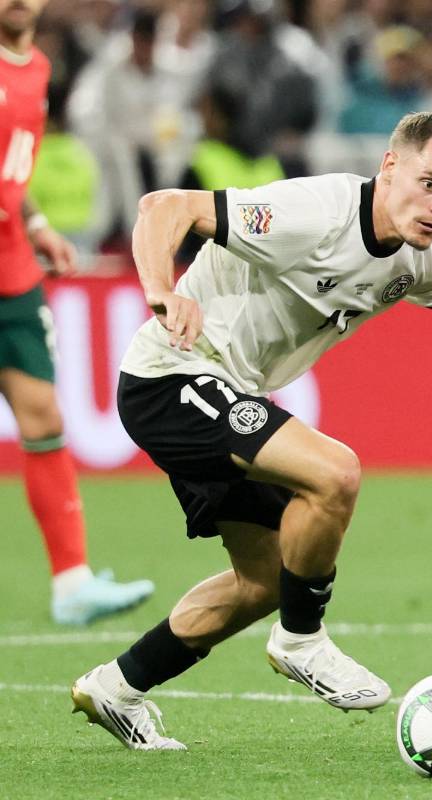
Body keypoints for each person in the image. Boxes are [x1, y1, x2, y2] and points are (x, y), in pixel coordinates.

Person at [70, 110, 432, 751]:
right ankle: (302, 640)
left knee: (266, 579)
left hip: (227, 391)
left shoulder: (418, 259)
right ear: (389, 167)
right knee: (335, 472)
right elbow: (165, 206)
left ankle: (117, 685)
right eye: (429, 183)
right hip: (172, 378)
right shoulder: (314, 212)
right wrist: (162, 293)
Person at [0, 0, 153, 625]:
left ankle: (71, 583)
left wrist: (34, 222)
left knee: (43, 415)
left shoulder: (34, 67)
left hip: (12, 273)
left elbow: (15, 166)